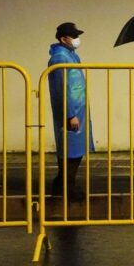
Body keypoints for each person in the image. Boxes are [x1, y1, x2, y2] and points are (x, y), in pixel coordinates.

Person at [48, 22, 94, 201]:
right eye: (73, 36)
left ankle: (61, 185)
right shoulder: (60, 57)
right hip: (71, 113)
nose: (77, 40)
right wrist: (70, 114)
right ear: (63, 39)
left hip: (77, 110)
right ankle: (68, 188)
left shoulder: (71, 55)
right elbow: (61, 88)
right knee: (71, 151)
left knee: (74, 150)